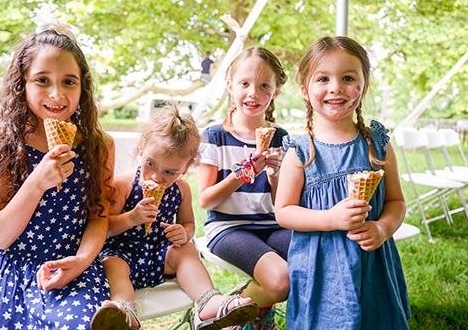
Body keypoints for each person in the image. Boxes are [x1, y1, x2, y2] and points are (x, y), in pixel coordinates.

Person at [0, 18, 114, 329]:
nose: (57, 94)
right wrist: (37, 182)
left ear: (83, 88)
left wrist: (81, 261)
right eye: (42, 80)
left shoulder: (99, 146)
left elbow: (99, 216)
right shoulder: (0, 146)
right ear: (21, 84)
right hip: (12, 270)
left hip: (72, 266)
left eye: (69, 81)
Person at [275, 36, 411, 329]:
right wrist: (331, 218)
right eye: (323, 78)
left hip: (372, 263)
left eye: (348, 77)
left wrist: (383, 228)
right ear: (305, 90)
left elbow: (396, 202)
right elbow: (284, 212)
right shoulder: (301, 153)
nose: (336, 87)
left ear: (363, 86)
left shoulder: (377, 145)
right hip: (320, 267)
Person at [92, 103, 259, 330]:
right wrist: (132, 218)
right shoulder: (123, 184)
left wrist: (184, 232)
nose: (157, 176)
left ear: (186, 167)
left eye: (170, 172)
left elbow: (189, 224)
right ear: (141, 148)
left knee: (187, 250)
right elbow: (106, 228)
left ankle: (208, 301)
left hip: (161, 254)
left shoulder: (181, 189)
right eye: (151, 164)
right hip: (123, 253)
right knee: (113, 263)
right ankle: (124, 311)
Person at [198, 46, 291, 330]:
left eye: (264, 86)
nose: (254, 93)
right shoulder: (215, 135)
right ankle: (224, 314)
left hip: (271, 225)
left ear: (275, 91)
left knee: (319, 256)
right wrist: (241, 175)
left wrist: (275, 174)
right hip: (228, 227)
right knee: (280, 281)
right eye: (245, 84)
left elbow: (282, 203)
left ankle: (249, 315)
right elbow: (206, 200)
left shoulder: (281, 136)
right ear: (230, 86)